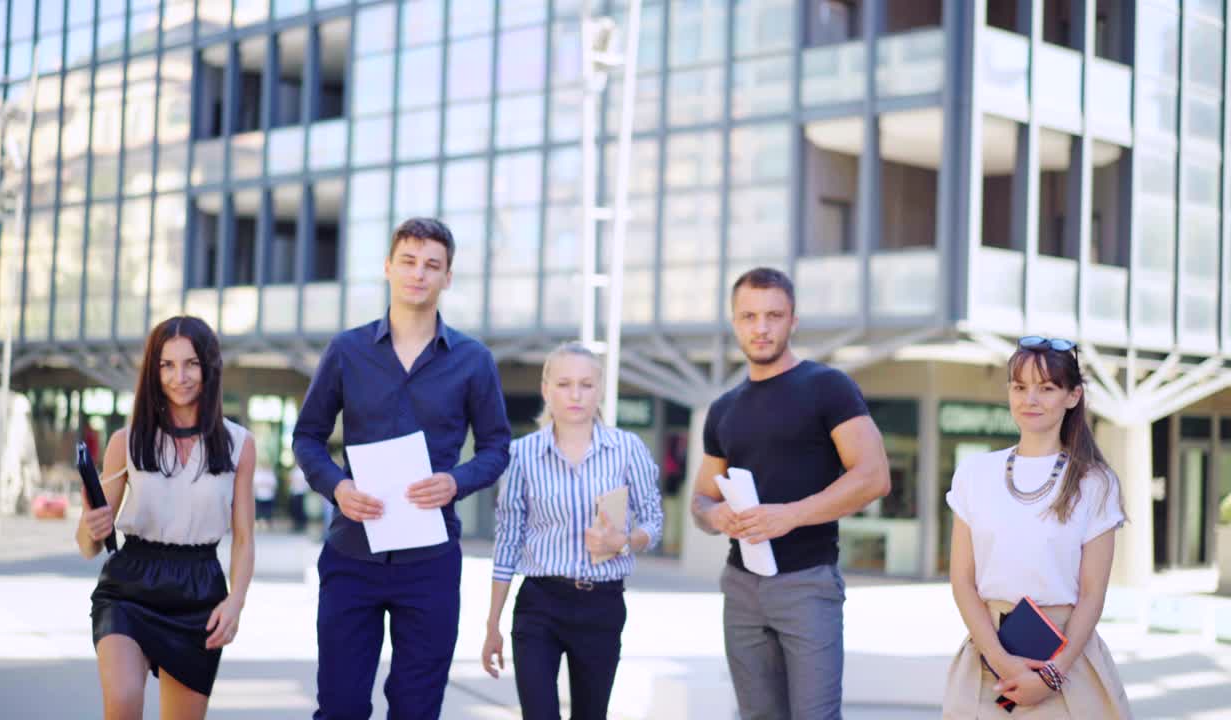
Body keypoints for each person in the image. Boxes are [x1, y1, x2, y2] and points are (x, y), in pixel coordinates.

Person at [293, 217, 512, 720]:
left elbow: (497, 447)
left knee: (417, 709)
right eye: (409, 262)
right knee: (341, 707)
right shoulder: (346, 351)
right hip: (352, 554)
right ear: (389, 268)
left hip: (430, 563)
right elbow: (307, 436)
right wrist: (337, 486)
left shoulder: (474, 360)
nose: (419, 274)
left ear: (447, 277)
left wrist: (457, 481)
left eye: (432, 265)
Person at [689, 267, 890, 720]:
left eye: (773, 315)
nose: (761, 327)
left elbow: (874, 477)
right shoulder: (723, 409)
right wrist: (716, 516)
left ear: (793, 320)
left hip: (807, 583)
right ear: (734, 322)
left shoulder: (827, 387)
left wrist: (790, 515)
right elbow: (700, 501)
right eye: (749, 316)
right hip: (740, 586)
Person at [75, 316, 256, 719]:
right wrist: (91, 527)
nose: (180, 377)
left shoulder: (239, 445)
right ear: (153, 372)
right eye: (166, 365)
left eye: (191, 363)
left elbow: (244, 538)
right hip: (129, 586)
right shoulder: (127, 440)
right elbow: (88, 544)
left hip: (199, 590)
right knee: (122, 702)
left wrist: (236, 602)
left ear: (209, 367)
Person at [942, 336, 1132, 718]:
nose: (1031, 399)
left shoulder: (1095, 482)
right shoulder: (974, 474)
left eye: (1047, 388)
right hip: (988, 653)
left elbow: (1093, 595)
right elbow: (962, 580)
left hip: (1067, 657)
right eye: (1020, 386)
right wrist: (1000, 659)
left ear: (1073, 396)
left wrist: (1051, 676)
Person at [482, 342, 664, 720]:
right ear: (546, 389)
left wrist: (625, 542)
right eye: (564, 384)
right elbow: (508, 540)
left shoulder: (628, 449)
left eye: (586, 384)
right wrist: (492, 624)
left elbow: (653, 521)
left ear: (599, 390)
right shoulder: (521, 455)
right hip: (539, 605)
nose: (576, 394)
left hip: (602, 605)